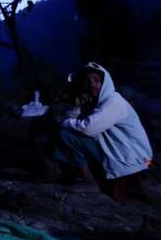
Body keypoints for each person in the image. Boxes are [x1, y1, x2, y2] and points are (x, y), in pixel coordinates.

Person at [54, 62, 152, 193]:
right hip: (115, 148)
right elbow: (81, 123)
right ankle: (74, 176)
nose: (92, 84)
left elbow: (88, 128)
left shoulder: (114, 102)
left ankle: (89, 182)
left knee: (67, 135)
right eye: (88, 81)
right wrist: (78, 106)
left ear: (105, 82)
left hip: (129, 156)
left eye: (96, 80)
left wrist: (65, 122)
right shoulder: (98, 102)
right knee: (68, 134)